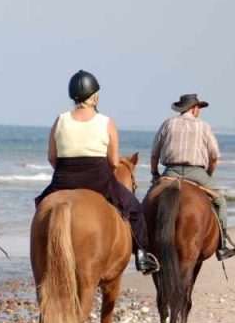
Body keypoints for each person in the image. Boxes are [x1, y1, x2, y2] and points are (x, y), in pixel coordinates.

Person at [35, 70, 159, 275]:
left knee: (41, 207)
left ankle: (40, 253)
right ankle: (142, 256)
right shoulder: (106, 122)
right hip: (98, 179)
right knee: (135, 209)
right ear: (95, 96)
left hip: (63, 178)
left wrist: (67, 171)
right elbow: (112, 160)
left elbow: (51, 157)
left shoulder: (60, 120)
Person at [150, 94, 235, 260]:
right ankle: (222, 245)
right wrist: (208, 174)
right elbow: (214, 156)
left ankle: (142, 247)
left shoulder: (167, 124)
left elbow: (154, 153)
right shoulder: (203, 126)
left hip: (170, 172)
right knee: (220, 202)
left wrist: (155, 173)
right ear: (194, 108)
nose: (199, 111)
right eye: (198, 107)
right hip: (196, 172)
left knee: (148, 200)